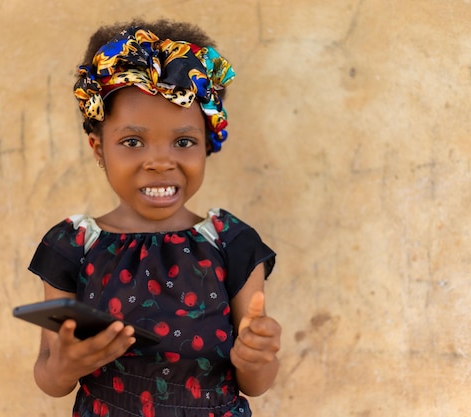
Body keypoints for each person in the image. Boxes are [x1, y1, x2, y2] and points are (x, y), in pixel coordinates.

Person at [27, 18, 281, 417]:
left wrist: (257, 357)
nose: (160, 162)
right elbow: (49, 375)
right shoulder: (72, 246)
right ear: (98, 148)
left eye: (183, 141)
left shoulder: (231, 242)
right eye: (132, 141)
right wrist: (65, 365)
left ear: (207, 143)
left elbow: (256, 383)